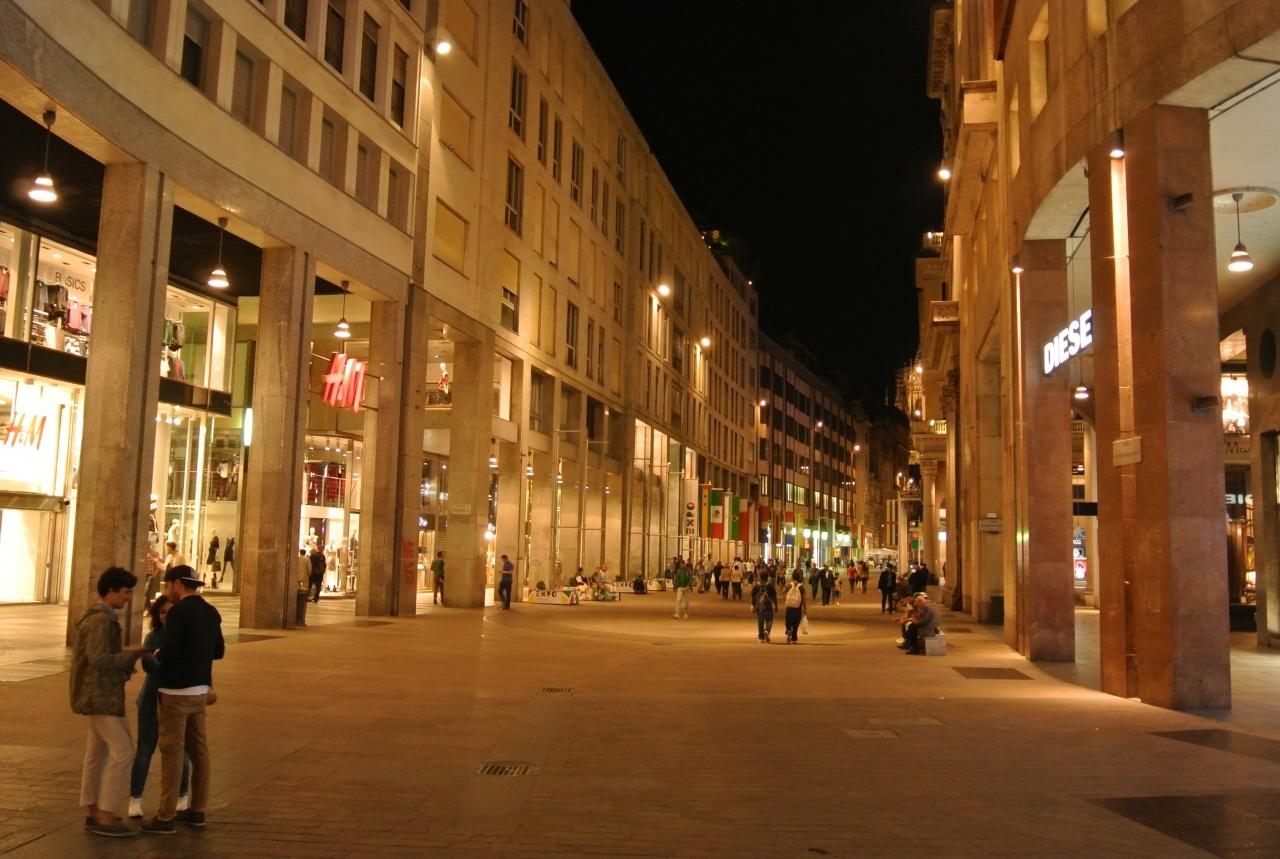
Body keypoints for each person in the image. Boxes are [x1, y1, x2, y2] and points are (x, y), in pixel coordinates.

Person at [140, 566, 224, 834]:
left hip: (175, 691)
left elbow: (171, 650)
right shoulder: (210, 611)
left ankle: (165, 816)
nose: (167, 591)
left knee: (172, 751)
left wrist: (158, 654)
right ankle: (198, 810)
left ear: (177, 584)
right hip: (199, 690)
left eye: (168, 586)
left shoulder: (178, 612)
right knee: (199, 750)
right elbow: (219, 651)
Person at [72, 567, 147, 837]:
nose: (129, 597)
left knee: (97, 753)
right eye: (126, 592)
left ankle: (93, 808)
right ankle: (105, 812)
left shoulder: (101, 618)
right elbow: (99, 659)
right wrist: (132, 655)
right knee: (123, 751)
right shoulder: (101, 621)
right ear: (111, 590)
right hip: (101, 696)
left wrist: (126, 660)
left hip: (99, 694)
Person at [129, 597, 191, 820]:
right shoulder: (154, 636)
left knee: (179, 749)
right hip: (151, 698)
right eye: (163, 612)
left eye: (170, 612)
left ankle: (182, 796)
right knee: (145, 748)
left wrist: (162, 662)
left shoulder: (184, 636)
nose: (166, 616)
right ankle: (135, 799)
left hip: (176, 698)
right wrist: (169, 666)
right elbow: (148, 664)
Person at [752, 572, 778, 643]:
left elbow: (753, 597)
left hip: (759, 607)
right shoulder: (770, 585)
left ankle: (761, 638)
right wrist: (776, 606)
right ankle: (767, 630)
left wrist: (753, 605)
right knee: (769, 620)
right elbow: (774, 597)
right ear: (767, 577)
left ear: (760, 577)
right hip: (768, 606)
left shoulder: (756, 585)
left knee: (760, 621)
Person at [783, 570, 807, 644]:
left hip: (790, 607)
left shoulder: (788, 585)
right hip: (798, 607)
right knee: (796, 623)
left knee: (788, 621)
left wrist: (787, 596)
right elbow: (804, 599)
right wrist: (805, 609)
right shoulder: (801, 586)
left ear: (792, 576)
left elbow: (783, 593)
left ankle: (788, 630)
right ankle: (794, 638)